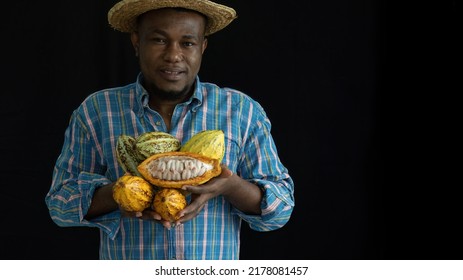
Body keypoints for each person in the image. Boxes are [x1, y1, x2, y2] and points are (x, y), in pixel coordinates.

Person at [45, 0, 295, 260]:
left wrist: (230, 186)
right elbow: (60, 204)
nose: (173, 55)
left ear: (203, 47)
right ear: (136, 43)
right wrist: (120, 195)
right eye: (159, 40)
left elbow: (281, 210)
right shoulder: (98, 110)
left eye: (187, 43)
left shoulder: (241, 111)